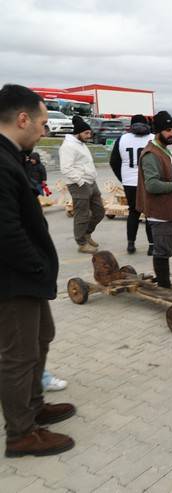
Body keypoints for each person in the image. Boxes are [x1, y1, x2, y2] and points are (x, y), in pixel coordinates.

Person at [0, 83, 75, 457]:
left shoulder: (12, 154)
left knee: (42, 337)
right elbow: (6, 230)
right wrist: (35, 265)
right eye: (43, 123)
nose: (45, 131)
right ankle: (20, 434)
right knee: (18, 355)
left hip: (26, 277)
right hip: (14, 280)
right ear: (23, 118)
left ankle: (33, 406)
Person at [136, 111, 172, 289]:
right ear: (158, 131)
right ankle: (164, 288)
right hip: (160, 212)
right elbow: (152, 186)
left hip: (169, 210)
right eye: (168, 130)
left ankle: (163, 282)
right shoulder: (151, 154)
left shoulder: (163, 150)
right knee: (162, 252)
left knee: (166, 250)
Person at [109, 114, 154, 254]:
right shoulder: (152, 138)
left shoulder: (122, 139)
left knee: (133, 213)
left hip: (129, 182)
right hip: (148, 180)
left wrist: (123, 178)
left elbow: (114, 161)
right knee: (149, 214)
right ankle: (152, 246)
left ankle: (131, 244)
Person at [59, 115, 105, 254]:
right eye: (86, 133)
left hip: (91, 182)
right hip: (78, 184)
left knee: (99, 211)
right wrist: (80, 181)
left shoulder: (81, 144)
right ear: (78, 133)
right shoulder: (68, 146)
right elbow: (66, 168)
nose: (89, 135)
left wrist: (90, 179)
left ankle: (86, 233)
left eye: (89, 133)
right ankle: (81, 243)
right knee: (82, 215)